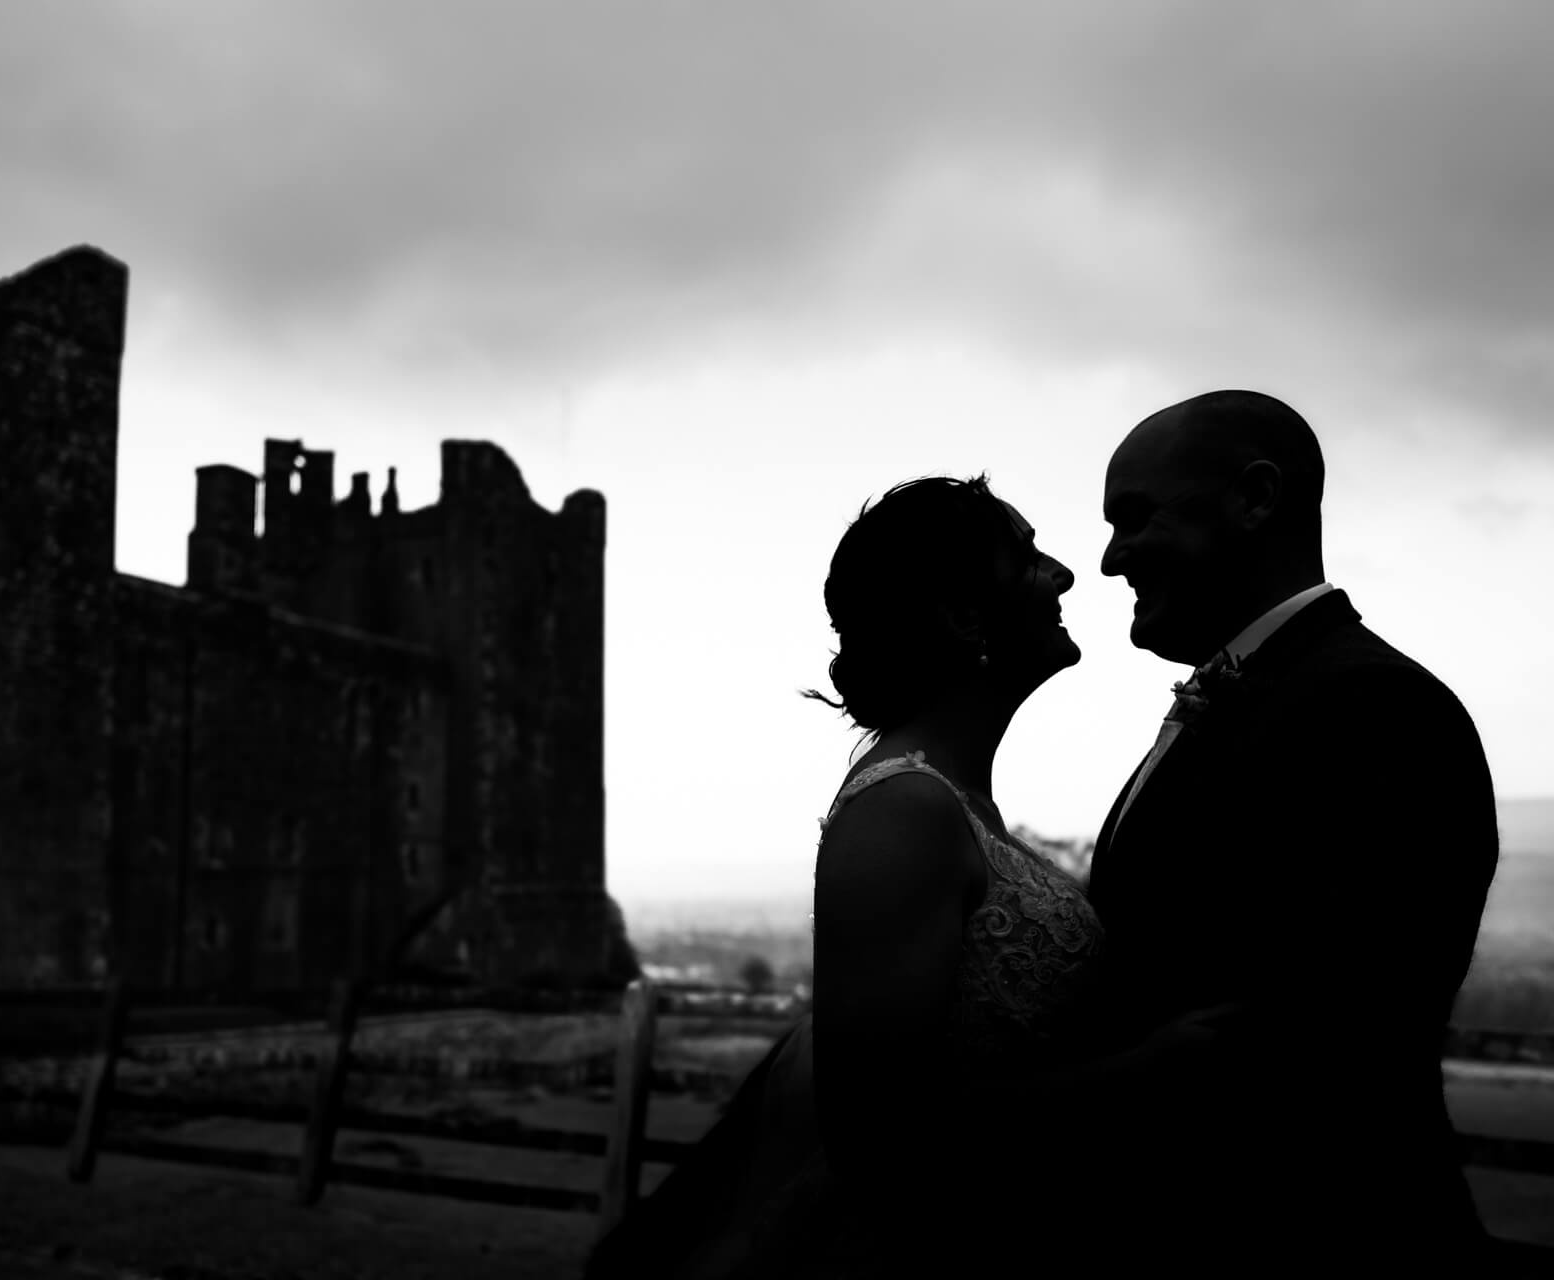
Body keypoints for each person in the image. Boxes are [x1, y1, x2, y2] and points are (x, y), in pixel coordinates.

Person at [584, 476, 1220, 1279]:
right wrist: (1153, 1068)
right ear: (963, 618)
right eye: (1027, 560)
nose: (1064, 575)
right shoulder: (904, 812)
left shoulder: (956, 803)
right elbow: (882, 1132)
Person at [1084, 389, 1499, 1267]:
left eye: (1135, 517)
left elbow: (1315, 1039)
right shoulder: (1268, 692)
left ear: (1256, 499)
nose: (1111, 559)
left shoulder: (1370, 706)